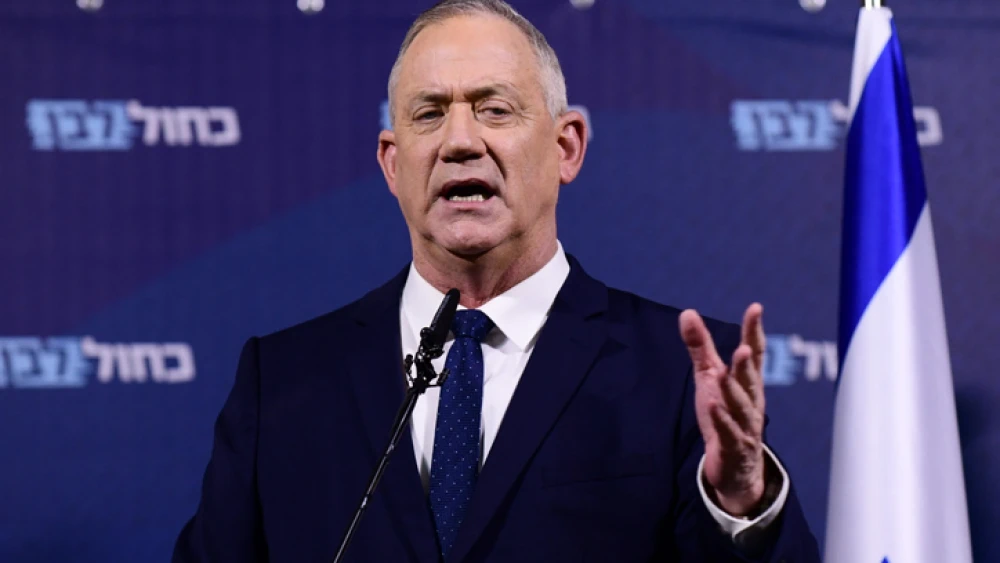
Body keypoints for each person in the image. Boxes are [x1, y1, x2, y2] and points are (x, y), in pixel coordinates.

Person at [173, 1, 820, 561]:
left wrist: (741, 503)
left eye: (495, 108)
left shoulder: (676, 374)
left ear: (566, 147)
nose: (460, 140)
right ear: (392, 164)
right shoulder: (282, 384)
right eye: (428, 113)